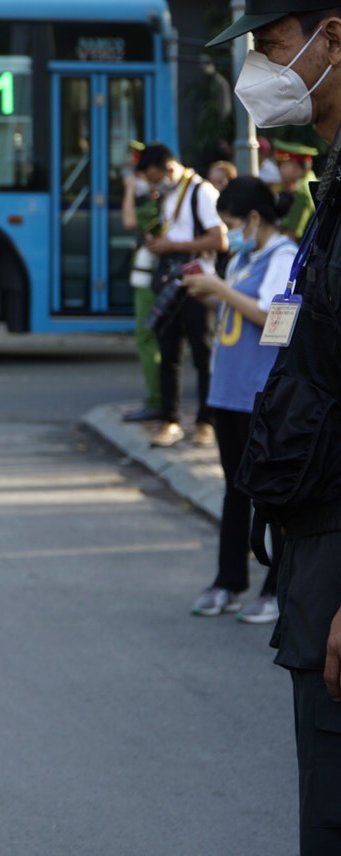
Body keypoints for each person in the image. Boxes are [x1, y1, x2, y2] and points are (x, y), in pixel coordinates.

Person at [210, 4, 341, 853]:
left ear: (335, 37)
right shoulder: (330, 190)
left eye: (274, 46)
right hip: (312, 543)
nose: (260, 71)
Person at [180, 177, 292, 622]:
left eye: (232, 224)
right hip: (228, 392)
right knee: (234, 491)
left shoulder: (284, 257)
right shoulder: (248, 257)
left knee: (271, 497)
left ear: (253, 218)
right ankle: (229, 581)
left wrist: (219, 288)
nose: (231, 235)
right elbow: (235, 314)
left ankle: (275, 589)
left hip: (259, 394)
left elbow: (273, 322)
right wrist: (209, 293)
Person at [136, 142, 228, 448]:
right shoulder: (169, 195)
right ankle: (170, 419)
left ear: (170, 168)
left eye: (154, 177)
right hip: (171, 282)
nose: (153, 184)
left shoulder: (201, 192)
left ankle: (205, 422)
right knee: (169, 355)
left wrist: (171, 247)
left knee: (203, 355)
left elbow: (219, 240)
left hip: (198, 282)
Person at [121, 142, 165, 423]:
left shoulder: (156, 205)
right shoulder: (154, 201)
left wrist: (127, 190)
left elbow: (128, 221)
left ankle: (156, 399)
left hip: (151, 280)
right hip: (147, 276)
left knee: (147, 338)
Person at [274, 139, 320, 239]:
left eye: (280, 163)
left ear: (294, 165)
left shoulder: (301, 192)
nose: (278, 168)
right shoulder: (309, 181)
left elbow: (291, 236)